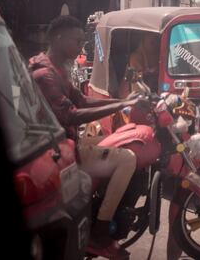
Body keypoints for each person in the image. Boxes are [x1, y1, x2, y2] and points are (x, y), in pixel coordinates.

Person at [29, 15, 141, 257]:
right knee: (128, 158)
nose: (81, 47)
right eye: (76, 41)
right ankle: (100, 232)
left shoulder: (56, 68)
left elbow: (80, 100)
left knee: (113, 140)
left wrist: (122, 101)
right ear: (58, 39)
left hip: (66, 144)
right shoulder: (44, 75)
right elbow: (71, 114)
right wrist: (119, 106)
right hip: (58, 154)